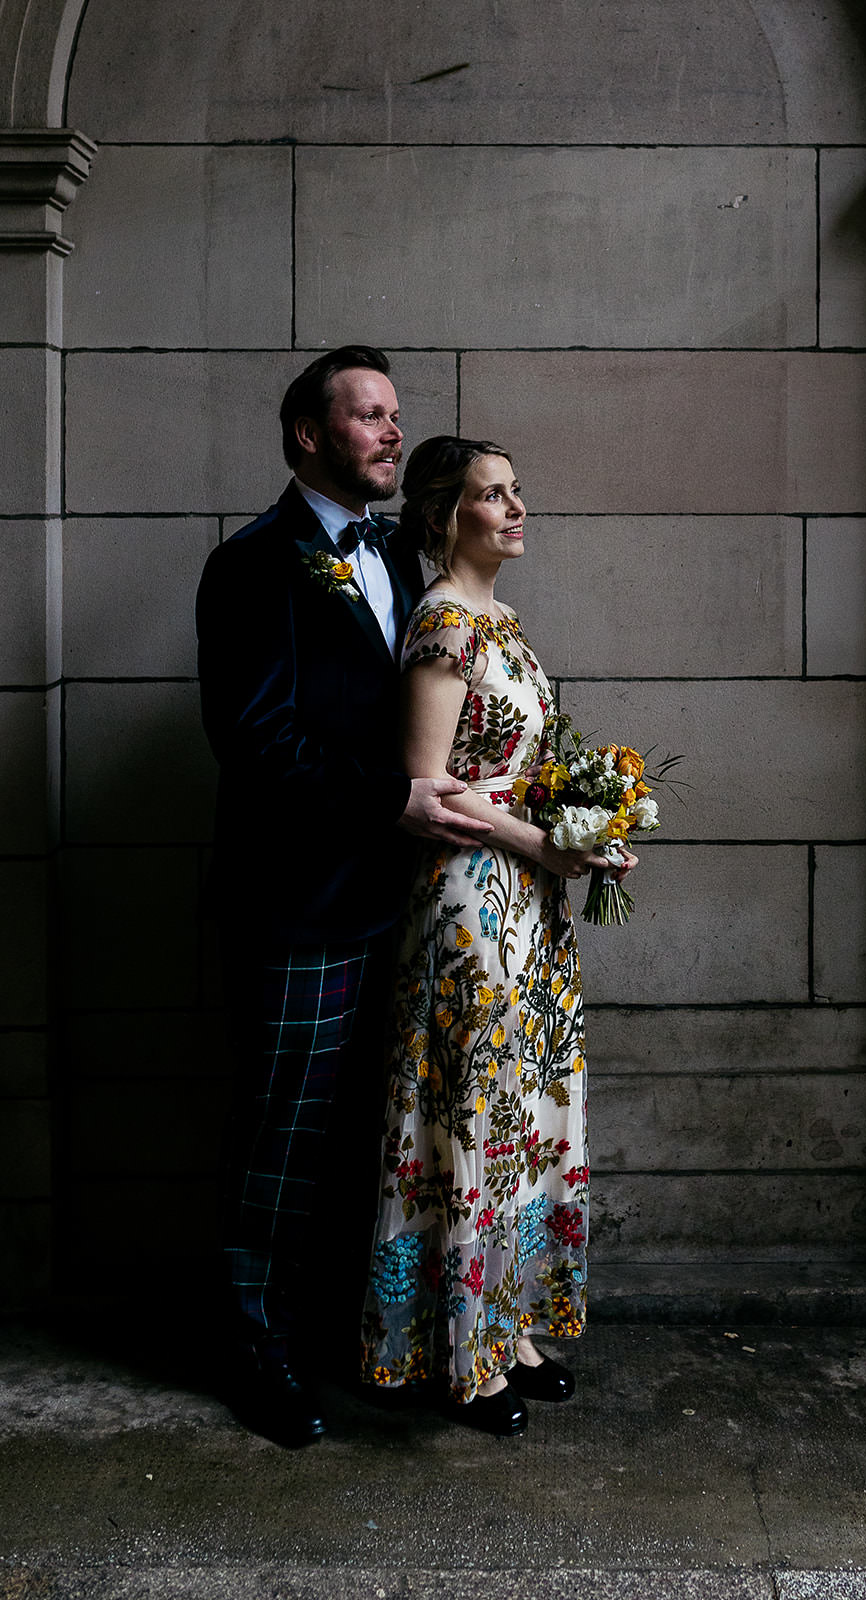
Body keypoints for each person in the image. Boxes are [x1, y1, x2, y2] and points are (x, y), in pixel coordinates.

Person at [195, 348, 492, 1448]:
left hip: (399, 904)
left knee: (376, 1133)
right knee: (282, 1137)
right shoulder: (253, 565)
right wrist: (396, 801)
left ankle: (340, 1338)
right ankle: (249, 1347)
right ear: (307, 435)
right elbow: (256, 743)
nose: (390, 430)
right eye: (367, 414)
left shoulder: (406, 560)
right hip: (302, 907)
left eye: (395, 414)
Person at [359, 437, 636, 1436]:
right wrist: (545, 843)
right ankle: (459, 1361)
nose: (515, 507)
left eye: (517, 489)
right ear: (443, 517)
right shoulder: (440, 624)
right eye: (490, 494)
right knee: (471, 1118)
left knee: (521, 1115)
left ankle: (508, 1325)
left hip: (527, 901)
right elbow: (429, 794)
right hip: (469, 903)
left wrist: (587, 830)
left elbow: (518, 769)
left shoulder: (504, 621)